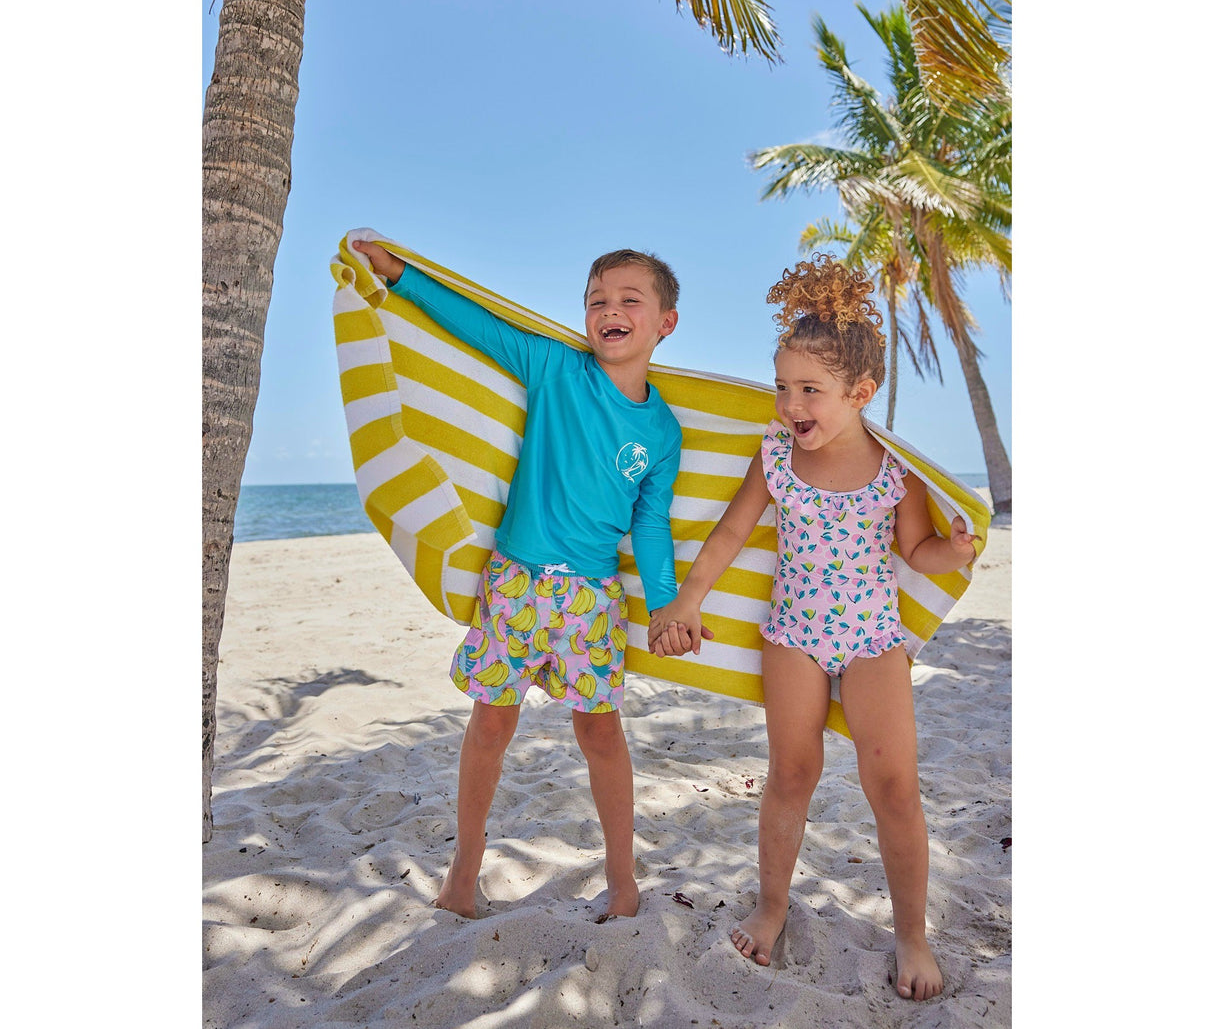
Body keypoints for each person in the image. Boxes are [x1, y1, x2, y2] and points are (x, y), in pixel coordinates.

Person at [646, 254, 976, 1001]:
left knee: (894, 787)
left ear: (861, 393)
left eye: (809, 390)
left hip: (873, 642)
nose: (791, 404)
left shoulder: (895, 472)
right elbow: (730, 534)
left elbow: (916, 552)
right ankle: (771, 907)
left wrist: (952, 552)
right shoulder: (775, 456)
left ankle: (912, 934)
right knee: (791, 774)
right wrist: (688, 600)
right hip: (793, 634)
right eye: (782, 386)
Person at [351, 238, 682, 922]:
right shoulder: (556, 368)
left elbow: (650, 525)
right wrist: (402, 276)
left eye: (630, 300)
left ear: (664, 322)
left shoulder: (662, 431)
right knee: (491, 725)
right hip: (515, 586)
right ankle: (463, 872)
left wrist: (665, 603)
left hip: (592, 602)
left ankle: (622, 881)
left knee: (601, 736)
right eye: (597, 300)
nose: (611, 311)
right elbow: (481, 329)